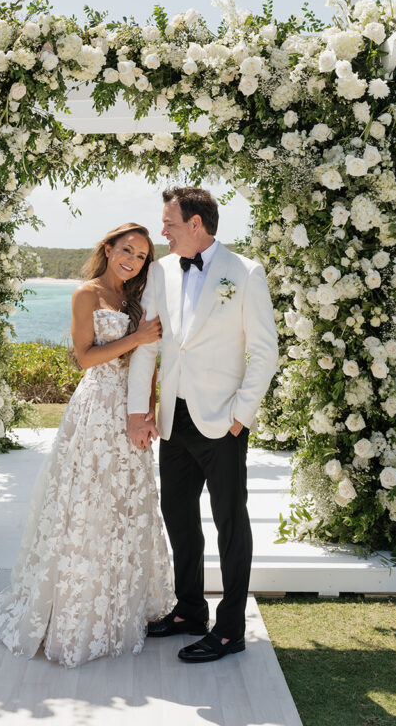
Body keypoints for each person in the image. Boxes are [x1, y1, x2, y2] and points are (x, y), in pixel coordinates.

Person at [0, 223, 174, 668]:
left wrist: (148, 408)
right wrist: (136, 337)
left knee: (124, 503)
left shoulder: (136, 299)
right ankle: (76, 609)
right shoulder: (87, 294)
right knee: (86, 502)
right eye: (126, 250)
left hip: (131, 410)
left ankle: (120, 603)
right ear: (108, 248)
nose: (132, 260)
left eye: (140, 255)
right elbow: (84, 357)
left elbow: (148, 362)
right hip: (97, 408)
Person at [127, 187, 278, 663]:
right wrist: (139, 408)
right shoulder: (161, 270)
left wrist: (241, 416)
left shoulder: (246, 273)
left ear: (196, 224)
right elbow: (149, 344)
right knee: (179, 517)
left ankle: (231, 630)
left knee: (231, 524)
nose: (163, 231)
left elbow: (265, 352)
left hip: (223, 422)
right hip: (174, 417)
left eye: (169, 222)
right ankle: (190, 610)